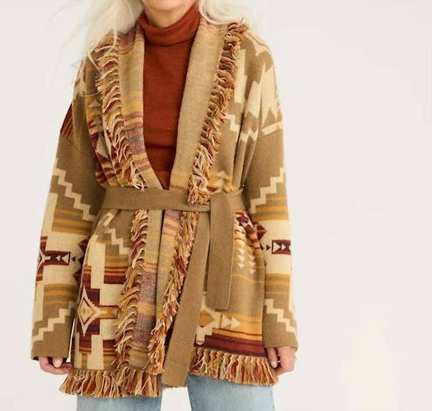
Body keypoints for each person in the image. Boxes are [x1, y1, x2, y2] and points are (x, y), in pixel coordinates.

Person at [29, 0, 299, 409]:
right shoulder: (101, 63)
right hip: (115, 285)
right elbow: (71, 195)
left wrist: (280, 320)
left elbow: (270, 196)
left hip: (224, 279)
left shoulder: (248, 56)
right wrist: (52, 319)